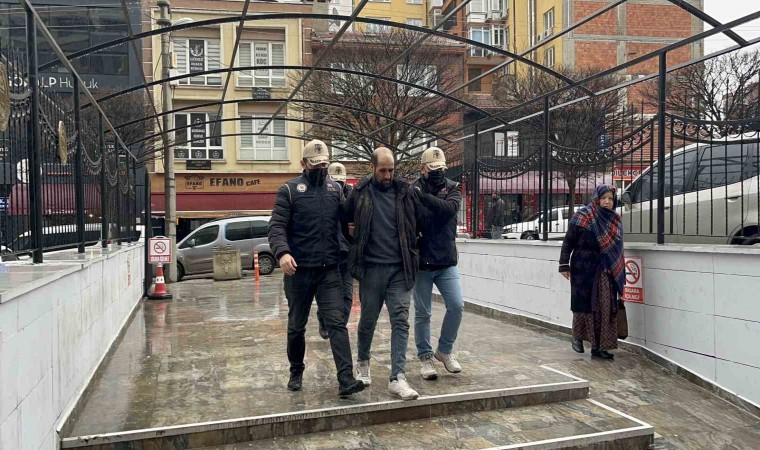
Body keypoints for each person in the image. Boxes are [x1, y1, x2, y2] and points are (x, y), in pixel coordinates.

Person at [268, 139, 364, 397]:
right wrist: (283, 253)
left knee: (337, 323)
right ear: (303, 164)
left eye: (324, 164)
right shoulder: (289, 190)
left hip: (329, 269)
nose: (321, 169)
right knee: (296, 326)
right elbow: (276, 226)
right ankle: (296, 370)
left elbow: (348, 219)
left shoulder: (335, 189)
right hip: (298, 271)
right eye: (316, 164)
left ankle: (346, 379)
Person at [342, 147, 423, 400]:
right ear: (372, 167)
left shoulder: (406, 192)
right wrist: (352, 238)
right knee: (368, 320)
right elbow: (343, 220)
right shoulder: (360, 192)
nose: (387, 175)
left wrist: (414, 250)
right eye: (383, 170)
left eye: (391, 170)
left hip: (400, 268)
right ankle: (363, 361)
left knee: (401, 320)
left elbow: (418, 222)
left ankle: (397, 377)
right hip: (371, 269)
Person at [412, 147, 464, 380]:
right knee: (423, 313)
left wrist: (423, 198)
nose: (437, 173)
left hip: (446, 261)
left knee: (457, 305)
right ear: (423, 168)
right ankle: (425, 357)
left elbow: (448, 209)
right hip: (422, 263)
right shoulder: (413, 189)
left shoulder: (453, 188)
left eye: (441, 169)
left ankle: (444, 350)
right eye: (433, 169)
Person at [559, 185, 625, 360]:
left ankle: (599, 347)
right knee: (585, 306)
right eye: (604, 198)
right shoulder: (583, 216)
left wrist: (618, 271)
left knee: (604, 308)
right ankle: (578, 337)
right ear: (596, 199)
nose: (607, 202)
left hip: (606, 271)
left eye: (610, 199)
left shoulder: (615, 220)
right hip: (584, 269)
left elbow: (618, 250)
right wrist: (564, 265)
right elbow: (568, 242)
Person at [317, 162, 354, 339]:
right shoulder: (321, 194)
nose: (339, 185)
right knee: (328, 294)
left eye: (341, 181)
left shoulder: (353, 196)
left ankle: (339, 326)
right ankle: (324, 322)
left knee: (347, 295)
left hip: (348, 254)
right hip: (329, 254)